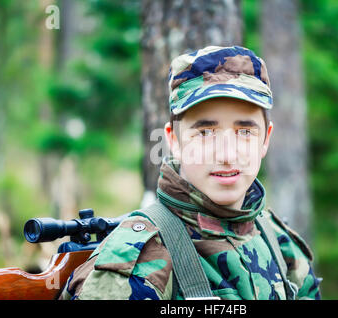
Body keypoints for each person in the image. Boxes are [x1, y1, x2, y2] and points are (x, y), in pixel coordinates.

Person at [59, 45, 322, 300]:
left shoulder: (280, 243)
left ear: (265, 140)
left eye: (245, 132)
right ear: (173, 141)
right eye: (205, 133)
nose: (227, 154)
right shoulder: (136, 264)